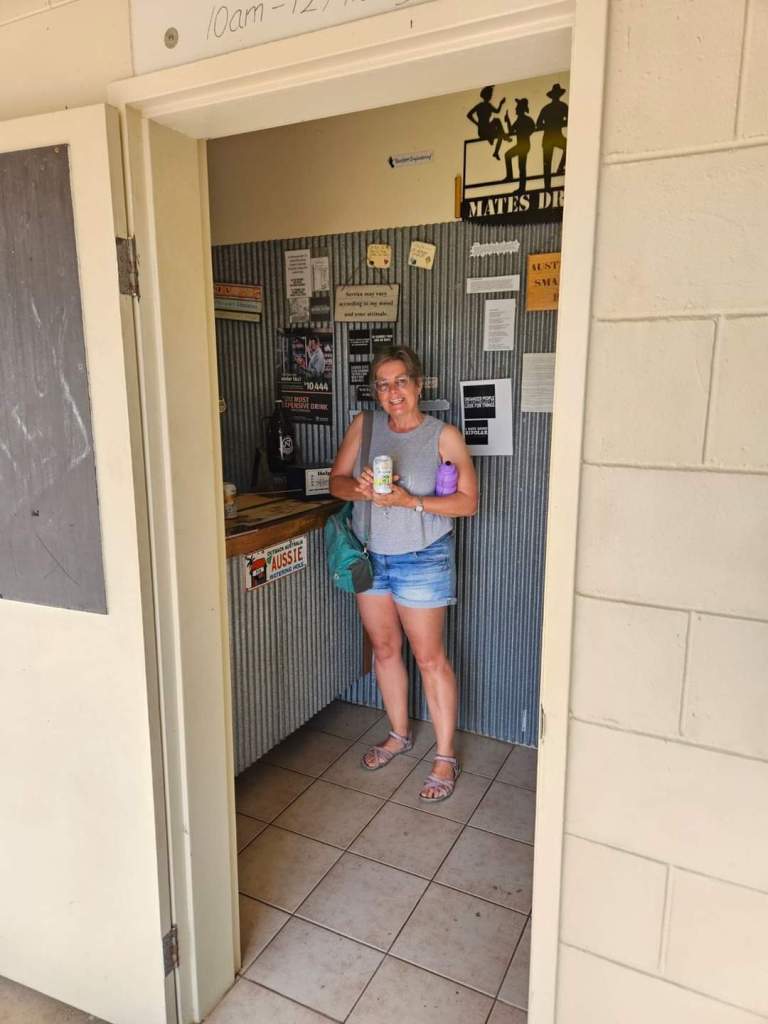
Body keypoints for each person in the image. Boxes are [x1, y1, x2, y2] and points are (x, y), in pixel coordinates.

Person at [329, 347, 478, 801]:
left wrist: (409, 501)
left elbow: (468, 503)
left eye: (400, 382)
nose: (392, 392)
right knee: (385, 649)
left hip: (422, 559)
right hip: (371, 557)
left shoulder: (443, 436)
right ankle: (399, 734)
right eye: (383, 384)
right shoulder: (365, 426)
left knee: (430, 658)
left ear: (417, 384)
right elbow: (335, 482)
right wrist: (358, 489)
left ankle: (445, 756)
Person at [536, 82, 568, 190]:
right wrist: (559, 123)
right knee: (547, 164)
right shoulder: (563, 106)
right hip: (553, 137)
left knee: (547, 164)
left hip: (550, 137)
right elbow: (538, 124)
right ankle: (548, 185)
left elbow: (538, 124)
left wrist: (550, 124)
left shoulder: (547, 108)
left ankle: (548, 185)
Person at [466, 85, 509, 160]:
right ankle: (502, 137)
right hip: (483, 131)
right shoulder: (480, 105)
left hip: (488, 129)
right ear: (486, 95)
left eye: (491, 94)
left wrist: (501, 103)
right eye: (490, 94)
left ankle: (496, 152)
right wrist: (477, 124)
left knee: (500, 134)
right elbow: (469, 115)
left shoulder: (488, 105)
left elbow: (497, 111)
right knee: (497, 121)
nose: (491, 96)